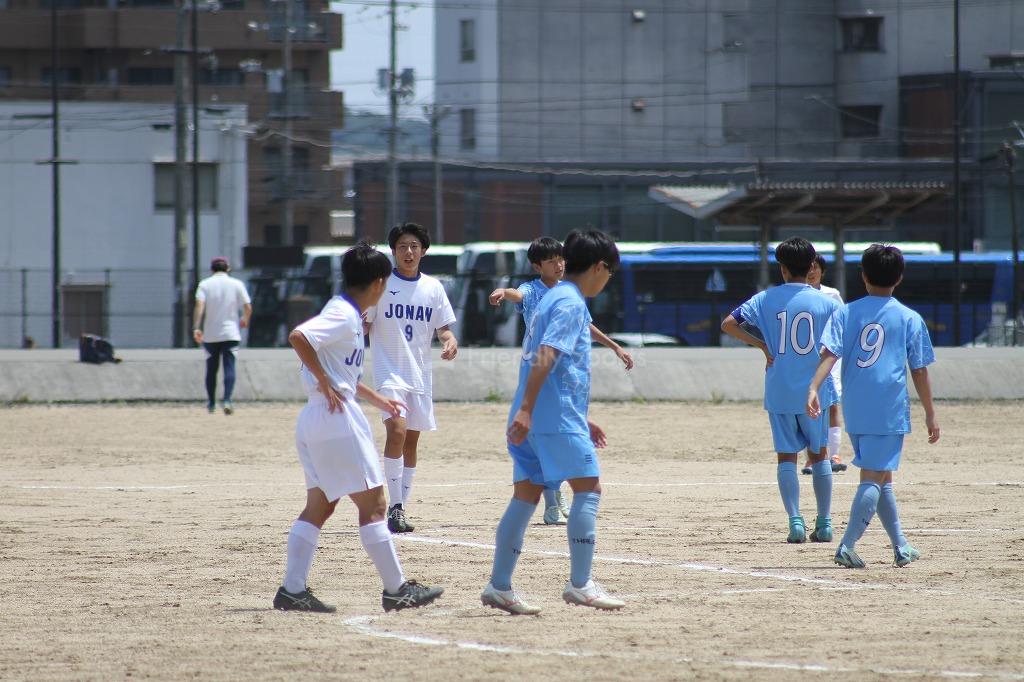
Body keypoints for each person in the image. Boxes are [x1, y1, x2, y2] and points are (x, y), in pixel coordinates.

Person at [273, 241, 444, 613]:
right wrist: (326, 380)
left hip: (316, 419)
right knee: (375, 505)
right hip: (336, 419)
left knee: (320, 505)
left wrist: (375, 398)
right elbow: (299, 336)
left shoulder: (348, 313)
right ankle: (397, 589)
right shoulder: (344, 314)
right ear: (379, 282)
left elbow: (341, 373)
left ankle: (292, 589)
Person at [481, 230, 625, 615]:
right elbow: (546, 354)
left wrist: (566, 416)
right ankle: (581, 584)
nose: (607, 279)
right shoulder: (571, 301)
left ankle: (500, 585)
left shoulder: (552, 298)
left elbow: (554, 366)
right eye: (609, 272)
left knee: (525, 496)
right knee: (589, 488)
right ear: (598, 267)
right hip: (547, 416)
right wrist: (531, 408)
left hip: (541, 414)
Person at [807, 244, 940, 569]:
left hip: (856, 406)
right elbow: (919, 369)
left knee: (883, 477)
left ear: (863, 275)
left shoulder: (846, 311)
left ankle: (901, 545)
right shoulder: (909, 317)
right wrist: (930, 411)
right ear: (900, 277)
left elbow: (829, 355)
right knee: (873, 476)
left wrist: (813, 386)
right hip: (888, 407)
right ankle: (847, 546)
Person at [489, 236, 634, 526]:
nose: (558, 264)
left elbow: (586, 325)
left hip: (551, 380)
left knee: (537, 468)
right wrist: (503, 292)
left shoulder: (570, 295)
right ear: (536, 266)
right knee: (580, 475)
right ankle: (556, 506)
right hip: (544, 373)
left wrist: (614, 345)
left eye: (560, 258)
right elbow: (517, 294)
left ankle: (552, 503)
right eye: (551, 260)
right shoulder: (537, 291)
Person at [720, 237, 840, 545]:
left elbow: (728, 324)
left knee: (786, 456)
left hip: (780, 388)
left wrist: (762, 344)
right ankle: (824, 523)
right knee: (820, 454)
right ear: (811, 266)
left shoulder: (765, 299)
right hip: (816, 390)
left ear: (782, 268)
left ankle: (795, 521)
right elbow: (840, 343)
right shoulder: (826, 302)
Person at [364, 223, 458, 534]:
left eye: (414, 246)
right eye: (403, 246)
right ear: (393, 250)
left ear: (424, 250)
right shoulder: (380, 284)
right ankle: (393, 506)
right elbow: (364, 324)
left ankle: (399, 506)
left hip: (419, 374)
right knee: (397, 430)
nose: (408, 252)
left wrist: (449, 339)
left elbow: (443, 326)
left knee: (412, 439)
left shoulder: (433, 288)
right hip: (389, 373)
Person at [802, 253, 848, 475]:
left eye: (815, 267)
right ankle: (811, 457)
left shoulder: (832, 295)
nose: (811, 271)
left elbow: (842, 322)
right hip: (804, 358)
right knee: (807, 407)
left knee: (832, 404)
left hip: (829, 357)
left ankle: (835, 453)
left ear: (822, 271)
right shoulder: (798, 294)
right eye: (808, 267)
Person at [193, 257, 252, 414]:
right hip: (231, 332)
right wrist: (245, 319)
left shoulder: (205, 284)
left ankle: (211, 402)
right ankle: (227, 399)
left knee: (211, 368)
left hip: (211, 334)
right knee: (229, 366)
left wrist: (196, 327)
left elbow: (200, 305)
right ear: (227, 269)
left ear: (212, 269)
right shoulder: (237, 284)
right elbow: (247, 306)